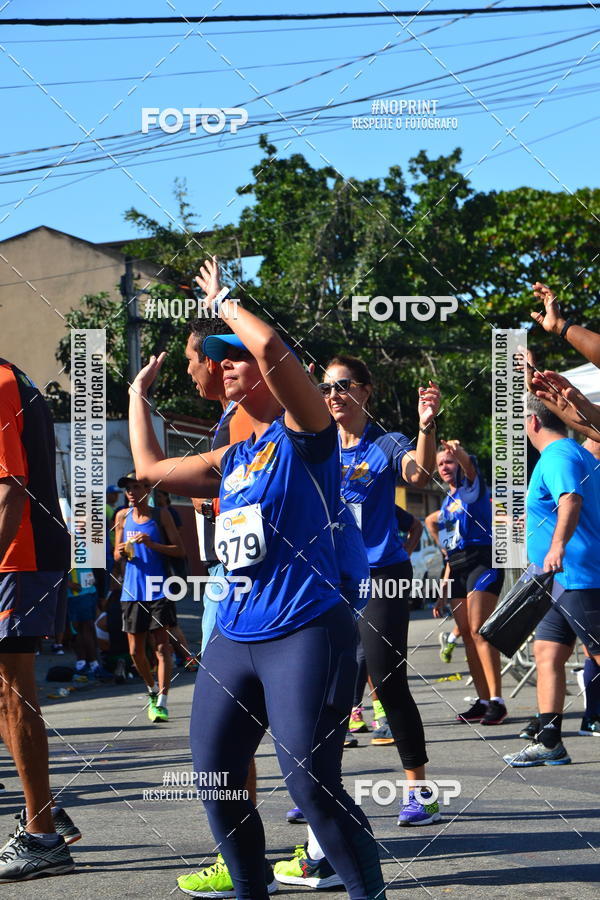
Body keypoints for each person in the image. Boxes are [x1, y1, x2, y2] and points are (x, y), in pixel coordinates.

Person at [128, 257, 388, 900]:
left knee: (309, 782)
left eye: (236, 356)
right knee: (215, 774)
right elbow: (151, 469)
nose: (228, 364)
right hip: (236, 633)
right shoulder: (237, 454)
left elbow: (268, 343)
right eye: (222, 358)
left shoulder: (310, 435)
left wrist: (224, 300)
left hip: (305, 629)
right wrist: (137, 398)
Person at [0, 358, 77, 881]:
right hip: (21, 551)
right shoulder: (14, 376)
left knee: (13, 691)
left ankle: (42, 835)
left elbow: (11, 487)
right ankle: (43, 806)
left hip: (18, 553)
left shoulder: (0, 382)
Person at [504, 396, 600, 767]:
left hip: (576, 574)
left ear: (533, 422)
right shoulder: (572, 453)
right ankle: (549, 742)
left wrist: (557, 545)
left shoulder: (559, 456)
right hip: (554, 580)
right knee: (547, 654)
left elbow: (570, 500)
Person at [430, 440, 506, 724]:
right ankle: (483, 699)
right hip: (459, 566)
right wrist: (442, 590)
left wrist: (458, 452)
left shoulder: (472, 490)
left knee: (479, 631)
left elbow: (471, 468)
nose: (445, 467)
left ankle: (498, 701)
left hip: (482, 562)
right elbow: (449, 550)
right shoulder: (447, 502)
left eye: (449, 461)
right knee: (466, 634)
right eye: (440, 464)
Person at [114, 472, 185, 723]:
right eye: (127, 489)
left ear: (147, 490)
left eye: (135, 487)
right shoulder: (121, 516)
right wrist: (121, 550)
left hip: (158, 588)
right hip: (132, 591)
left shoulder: (160, 515)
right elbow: (115, 554)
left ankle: (163, 701)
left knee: (161, 647)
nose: (131, 493)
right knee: (135, 650)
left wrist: (152, 544)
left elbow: (180, 550)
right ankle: (151, 690)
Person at [66, 567, 100, 677]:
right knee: (81, 629)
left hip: (89, 590)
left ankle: (91, 663)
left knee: (88, 628)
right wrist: (68, 582)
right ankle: (86, 663)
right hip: (77, 593)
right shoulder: (68, 550)